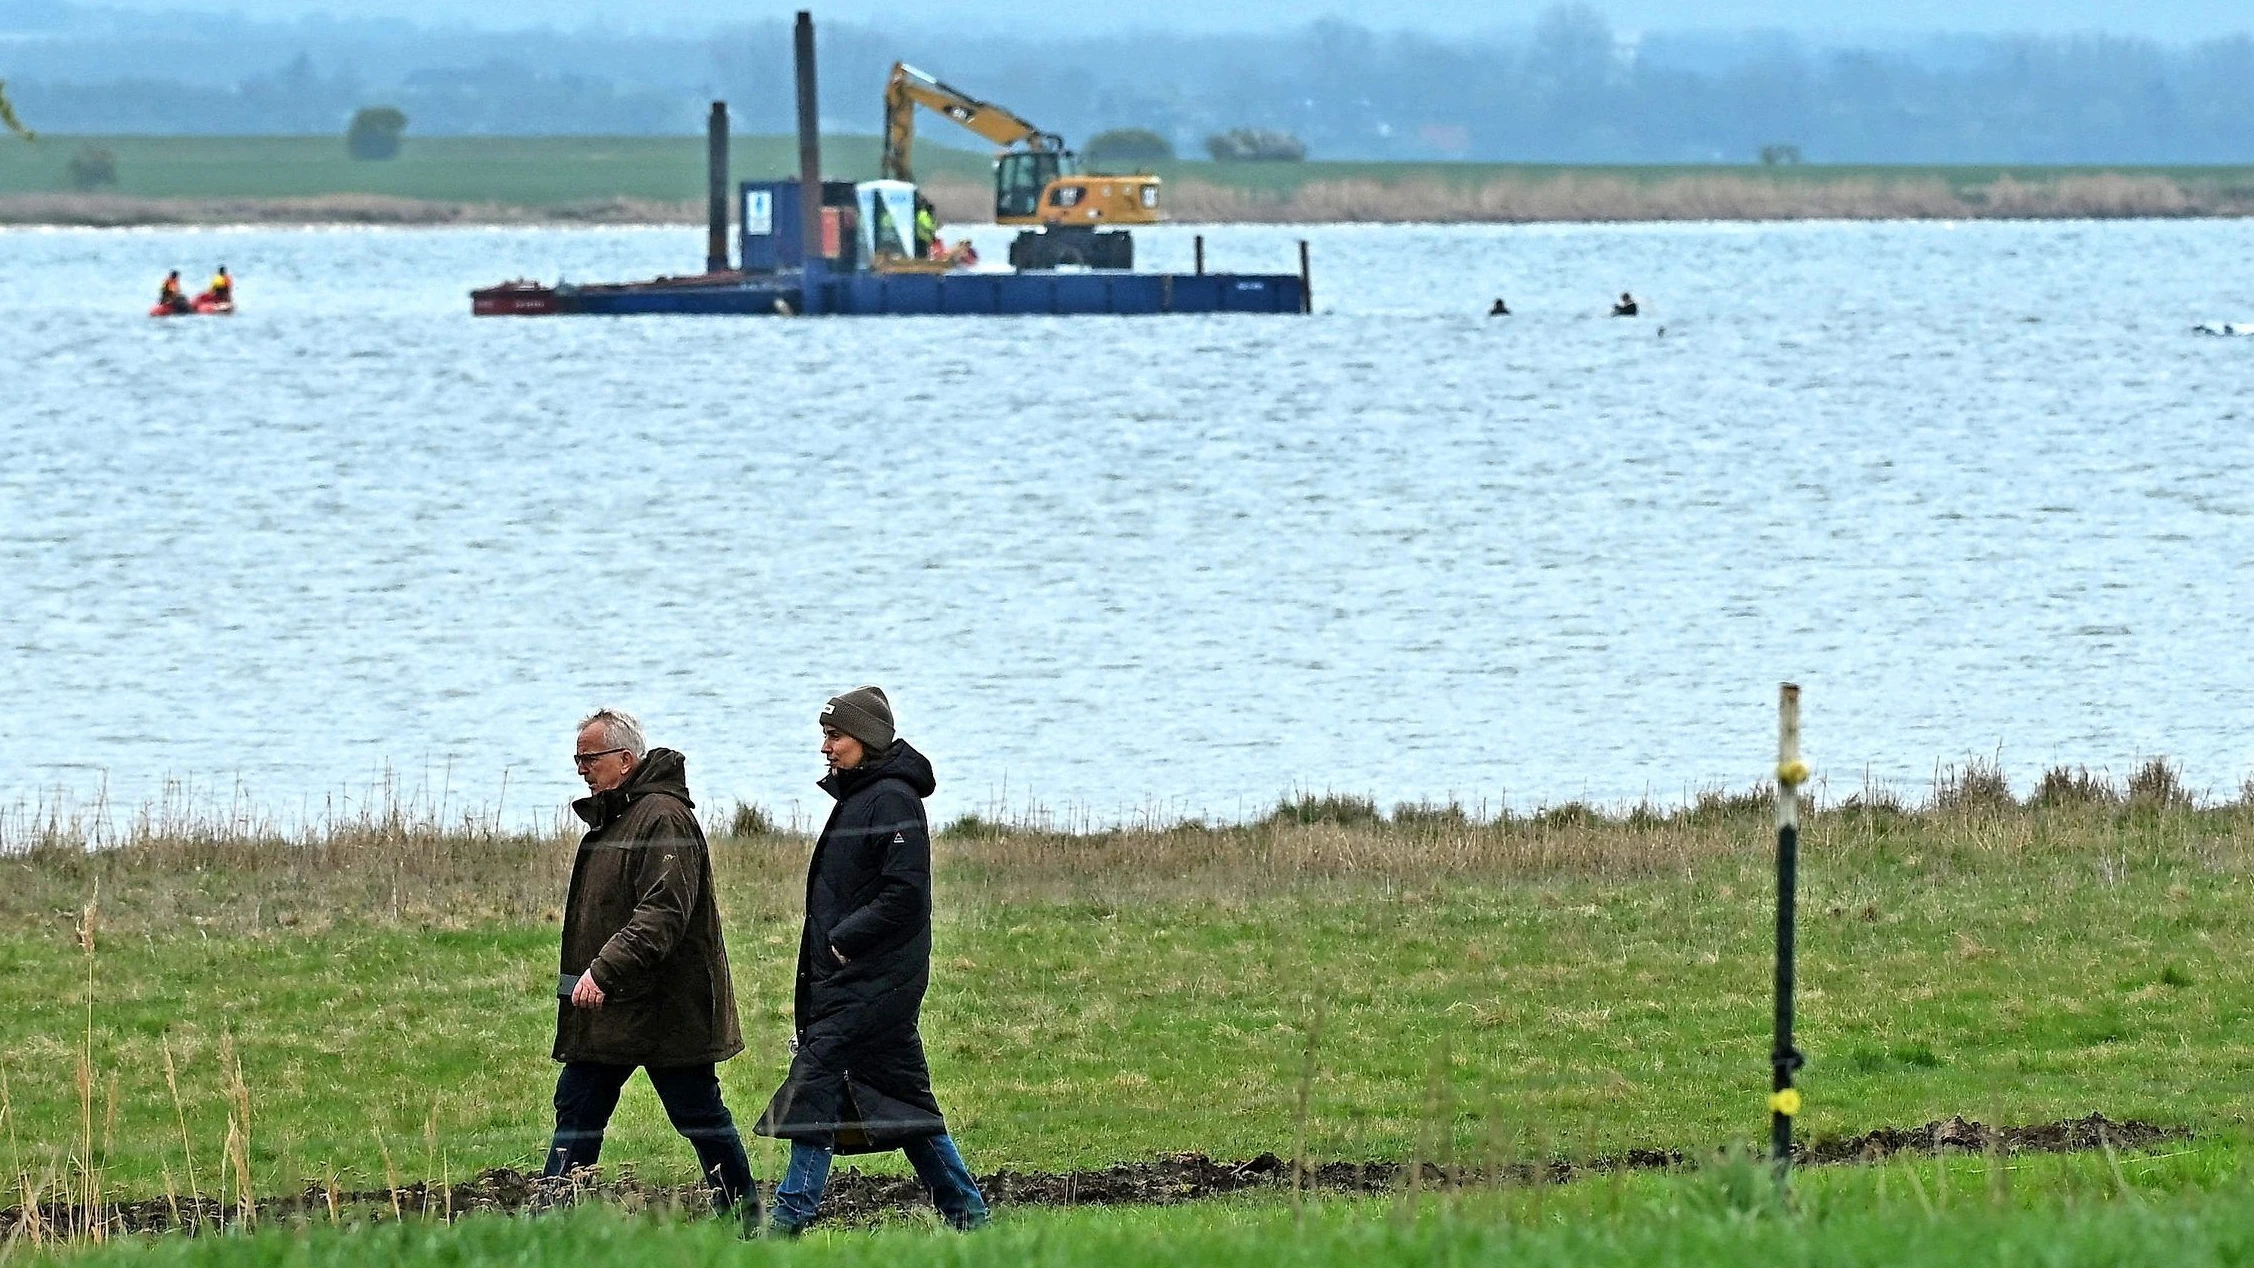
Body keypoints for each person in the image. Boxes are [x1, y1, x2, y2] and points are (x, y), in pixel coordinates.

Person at [757, 687, 988, 1235]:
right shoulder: (863, 796)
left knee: (815, 1082)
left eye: (835, 736)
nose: (826, 747)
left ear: (867, 739)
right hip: (855, 979)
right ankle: (970, 1217)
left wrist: (844, 941)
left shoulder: (891, 799)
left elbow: (905, 893)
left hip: (872, 980)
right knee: (900, 1101)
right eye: (825, 736)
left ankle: (787, 1222)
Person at [546, 708, 757, 1227]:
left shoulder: (663, 817)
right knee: (577, 1111)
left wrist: (603, 971)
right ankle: (549, 1223)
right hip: (611, 1008)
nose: (581, 768)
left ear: (625, 758)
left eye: (589, 757)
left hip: (665, 1009)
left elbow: (662, 914)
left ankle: (747, 1221)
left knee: (699, 1117)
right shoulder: (616, 815)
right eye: (577, 758)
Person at [914, 195, 939, 260]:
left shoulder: (925, 214)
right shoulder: (923, 214)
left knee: (925, 253)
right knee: (922, 253)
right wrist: (935, 226)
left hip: (925, 238)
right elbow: (928, 225)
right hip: (921, 237)